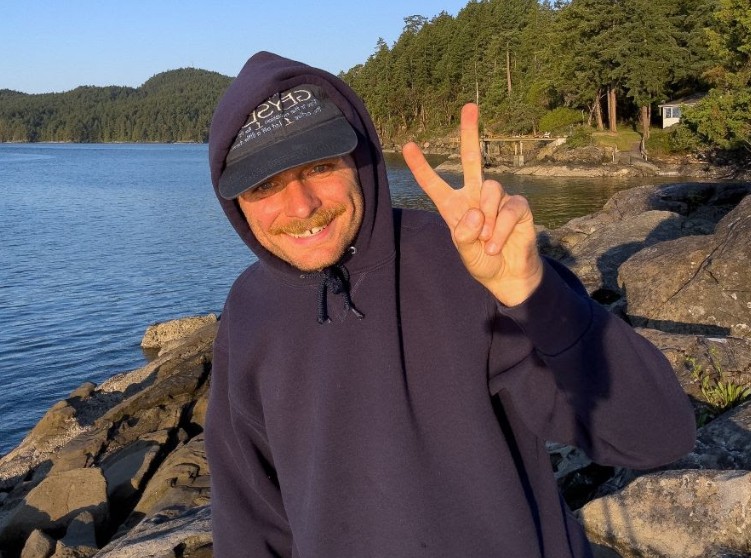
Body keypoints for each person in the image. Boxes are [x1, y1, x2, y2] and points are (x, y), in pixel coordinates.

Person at [205, 51, 695, 558]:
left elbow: (656, 435)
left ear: (359, 159)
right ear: (234, 202)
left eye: (320, 166)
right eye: (265, 184)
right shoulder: (249, 310)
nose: (302, 205)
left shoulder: (468, 264)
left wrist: (532, 293)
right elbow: (249, 515)